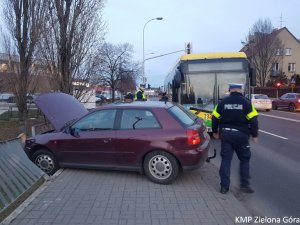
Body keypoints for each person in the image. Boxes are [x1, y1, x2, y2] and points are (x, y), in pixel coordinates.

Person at [212, 83, 258, 194]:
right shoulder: (246, 103)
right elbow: (253, 120)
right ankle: (244, 185)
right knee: (244, 159)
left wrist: (215, 132)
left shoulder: (222, 102)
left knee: (226, 160)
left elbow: (214, 117)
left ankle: (224, 187)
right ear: (240, 90)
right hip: (241, 135)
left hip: (226, 134)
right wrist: (254, 135)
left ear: (230, 90)